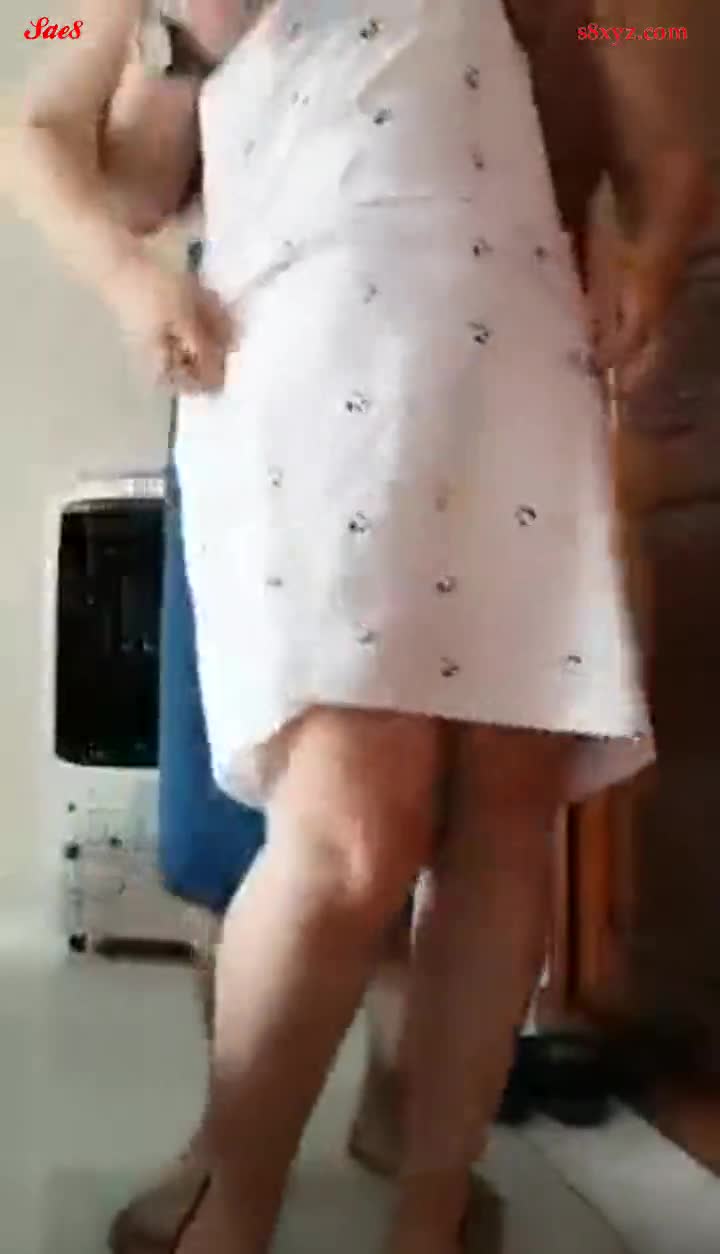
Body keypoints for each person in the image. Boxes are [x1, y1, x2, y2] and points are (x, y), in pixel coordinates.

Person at [8, 3, 709, 1253]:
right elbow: (43, 127)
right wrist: (128, 278)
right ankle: (232, 1204)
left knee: (505, 811)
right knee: (343, 831)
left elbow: (659, 93)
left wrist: (648, 255)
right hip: (299, 351)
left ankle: (429, 1213)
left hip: (515, 364)